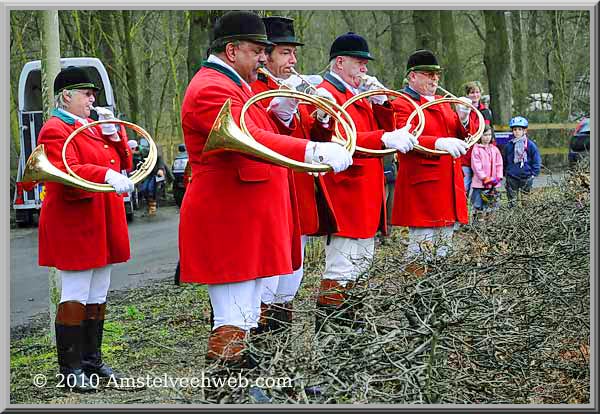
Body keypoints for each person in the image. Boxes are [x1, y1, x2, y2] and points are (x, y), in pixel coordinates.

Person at [179, 11, 352, 369]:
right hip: (229, 215)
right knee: (232, 318)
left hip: (245, 213)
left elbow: (264, 132)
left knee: (245, 317)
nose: (263, 58)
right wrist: (311, 150)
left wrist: (286, 114)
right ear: (231, 50)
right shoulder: (212, 86)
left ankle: (246, 390)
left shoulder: (236, 85)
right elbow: (248, 139)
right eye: (258, 50)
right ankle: (226, 396)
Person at [37, 66, 134, 392]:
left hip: (101, 216)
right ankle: (71, 369)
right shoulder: (55, 128)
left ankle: (92, 361)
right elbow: (69, 170)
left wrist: (113, 135)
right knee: (75, 293)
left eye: (93, 94)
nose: (93, 99)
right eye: (86, 93)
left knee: (98, 293)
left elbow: (122, 164)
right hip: (75, 220)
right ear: (66, 96)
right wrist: (105, 175)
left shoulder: (88, 126)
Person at [313, 32, 417, 329]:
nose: (364, 69)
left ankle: (351, 331)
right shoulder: (327, 92)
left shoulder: (357, 93)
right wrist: (383, 135)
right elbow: (340, 139)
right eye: (359, 62)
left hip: (367, 191)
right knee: (342, 267)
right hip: (345, 192)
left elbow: (385, 136)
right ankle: (333, 334)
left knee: (361, 266)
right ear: (340, 62)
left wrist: (383, 103)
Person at [250, 16, 340, 334]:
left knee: (289, 287)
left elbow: (310, 140)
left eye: (293, 53)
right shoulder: (255, 91)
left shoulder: (289, 90)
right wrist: (282, 108)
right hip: (272, 201)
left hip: (298, 201)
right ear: (267, 55)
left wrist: (325, 119)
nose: (293, 60)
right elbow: (268, 140)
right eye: (286, 53)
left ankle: (282, 372)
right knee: (265, 290)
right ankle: (262, 368)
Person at [390, 49, 470, 273]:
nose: (435, 79)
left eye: (437, 75)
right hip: (423, 189)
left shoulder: (443, 102)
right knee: (420, 251)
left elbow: (461, 136)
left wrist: (463, 118)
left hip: (448, 187)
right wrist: (439, 143)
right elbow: (408, 136)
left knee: (443, 252)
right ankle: (416, 302)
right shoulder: (402, 103)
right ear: (412, 76)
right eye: (429, 74)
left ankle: (437, 301)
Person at [459, 81, 493, 201]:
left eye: (477, 92)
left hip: (481, 154)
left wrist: (492, 150)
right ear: (467, 94)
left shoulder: (486, 112)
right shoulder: (462, 110)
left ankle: (479, 213)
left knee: (482, 185)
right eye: (472, 92)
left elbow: (489, 132)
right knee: (465, 184)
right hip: (466, 154)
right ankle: (463, 212)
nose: (475, 95)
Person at [503, 116, 542, 207]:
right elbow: (504, 159)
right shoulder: (509, 145)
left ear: (525, 131)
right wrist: (505, 172)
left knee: (526, 200)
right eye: (515, 129)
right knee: (512, 201)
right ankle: (513, 217)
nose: (517, 131)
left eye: (520, 129)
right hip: (512, 176)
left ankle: (525, 218)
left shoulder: (530, 145)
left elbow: (536, 159)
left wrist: (534, 173)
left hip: (526, 176)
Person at [470, 125, 503, 217]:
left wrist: (499, 176)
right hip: (479, 183)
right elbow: (476, 166)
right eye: (485, 135)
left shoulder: (495, 149)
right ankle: (477, 224)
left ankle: (490, 224)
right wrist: (484, 178)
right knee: (478, 204)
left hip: (492, 183)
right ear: (480, 136)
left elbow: (499, 163)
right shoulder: (476, 149)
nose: (487, 137)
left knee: (491, 204)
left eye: (489, 135)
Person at [137, 139, 168, 216]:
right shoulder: (142, 156)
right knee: (144, 188)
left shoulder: (156, 153)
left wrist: (160, 169)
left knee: (151, 188)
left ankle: (153, 206)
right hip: (148, 174)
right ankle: (150, 205)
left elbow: (160, 161)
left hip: (156, 174)